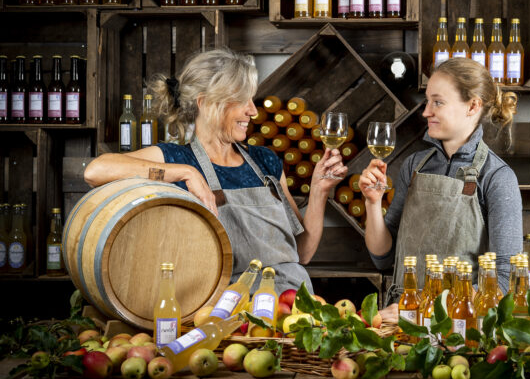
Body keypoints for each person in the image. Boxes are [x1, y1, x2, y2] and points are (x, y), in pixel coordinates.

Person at [84, 48, 346, 295]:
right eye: (241, 101)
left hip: (292, 304)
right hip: (226, 310)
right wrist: (186, 173)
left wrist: (319, 192)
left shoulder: (265, 161)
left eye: (251, 99)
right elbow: (96, 171)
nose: (252, 111)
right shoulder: (177, 158)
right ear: (206, 103)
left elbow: (301, 254)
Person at [359, 57, 523, 302]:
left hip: (463, 325)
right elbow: (384, 257)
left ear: (472, 106)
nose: (426, 111)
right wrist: (372, 203)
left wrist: (426, 310)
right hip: (404, 318)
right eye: (427, 101)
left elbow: (505, 279)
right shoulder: (414, 166)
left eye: (438, 102)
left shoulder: (497, 177)